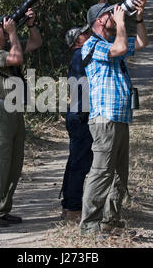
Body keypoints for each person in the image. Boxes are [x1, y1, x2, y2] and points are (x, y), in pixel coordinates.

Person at [79, 0, 148, 234]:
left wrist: (137, 17)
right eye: (110, 13)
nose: (117, 14)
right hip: (104, 117)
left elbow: (140, 42)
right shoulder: (91, 45)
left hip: (120, 116)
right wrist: (120, 22)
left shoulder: (112, 40)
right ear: (99, 20)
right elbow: (119, 48)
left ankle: (111, 221)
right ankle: (89, 226)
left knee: (119, 173)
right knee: (101, 172)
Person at [0, 9, 42, 227]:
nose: (3, 27)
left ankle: (2, 209)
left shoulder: (7, 46)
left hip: (14, 109)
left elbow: (35, 43)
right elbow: (16, 58)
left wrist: (30, 24)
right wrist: (13, 33)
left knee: (14, 163)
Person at [60, 24, 93, 222]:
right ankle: (72, 207)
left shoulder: (79, 55)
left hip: (77, 114)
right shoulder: (80, 55)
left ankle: (69, 205)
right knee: (79, 163)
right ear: (77, 41)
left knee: (75, 161)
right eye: (83, 33)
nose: (87, 35)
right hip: (81, 116)